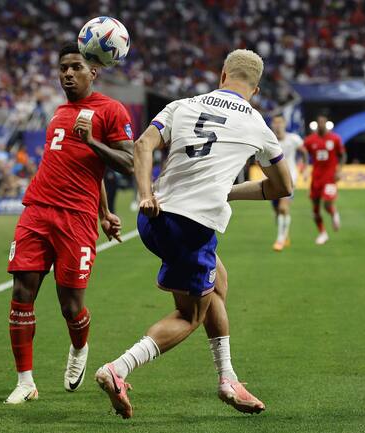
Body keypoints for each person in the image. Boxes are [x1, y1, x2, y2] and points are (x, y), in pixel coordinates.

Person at [94, 49, 293, 418]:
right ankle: (118, 369)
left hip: (153, 218)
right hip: (191, 226)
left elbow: (142, 145)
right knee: (190, 316)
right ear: (257, 89)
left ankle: (228, 377)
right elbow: (282, 187)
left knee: (217, 281)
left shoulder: (181, 105)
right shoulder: (257, 124)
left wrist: (145, 194)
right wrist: (229, 191)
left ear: (222, 76)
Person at [4, 42, 135, 404]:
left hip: (75, 219)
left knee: (70, 305)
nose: (67, 74)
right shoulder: (58, 113)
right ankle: (25, 381)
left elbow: (128, 162)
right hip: (37, 209)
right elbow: (78, 169)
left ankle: (79, 347)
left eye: (75, 67)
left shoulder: (111, 110)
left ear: (94, 70)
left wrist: (92, 141)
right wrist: (106, 211)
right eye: (63, 68)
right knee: (21, 293)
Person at [303, 114, 345, 245]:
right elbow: (304, 153)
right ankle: (323, 233)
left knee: (327, 203)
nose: (321, 125)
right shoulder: (310, 140)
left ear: (326, 124)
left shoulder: (335, 139)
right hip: (316, 178)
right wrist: (304, 168)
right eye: (319, 122)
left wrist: (339, 171)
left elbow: (343, 155)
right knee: (315, 209)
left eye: (323, 122)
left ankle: (334, 213)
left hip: (330, 178)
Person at [270, 114, 306, 251]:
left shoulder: (294, 139)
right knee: (277, 211)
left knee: (283, 208)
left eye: (280, 122)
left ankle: (280, 240)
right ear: (272, 125)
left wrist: (305, 168)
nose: (278, 125)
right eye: (275, 122)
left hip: (290, 178)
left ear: (284, 124)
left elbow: (304, 152)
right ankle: (285, 235)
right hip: (272, 179)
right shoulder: (269, 140)